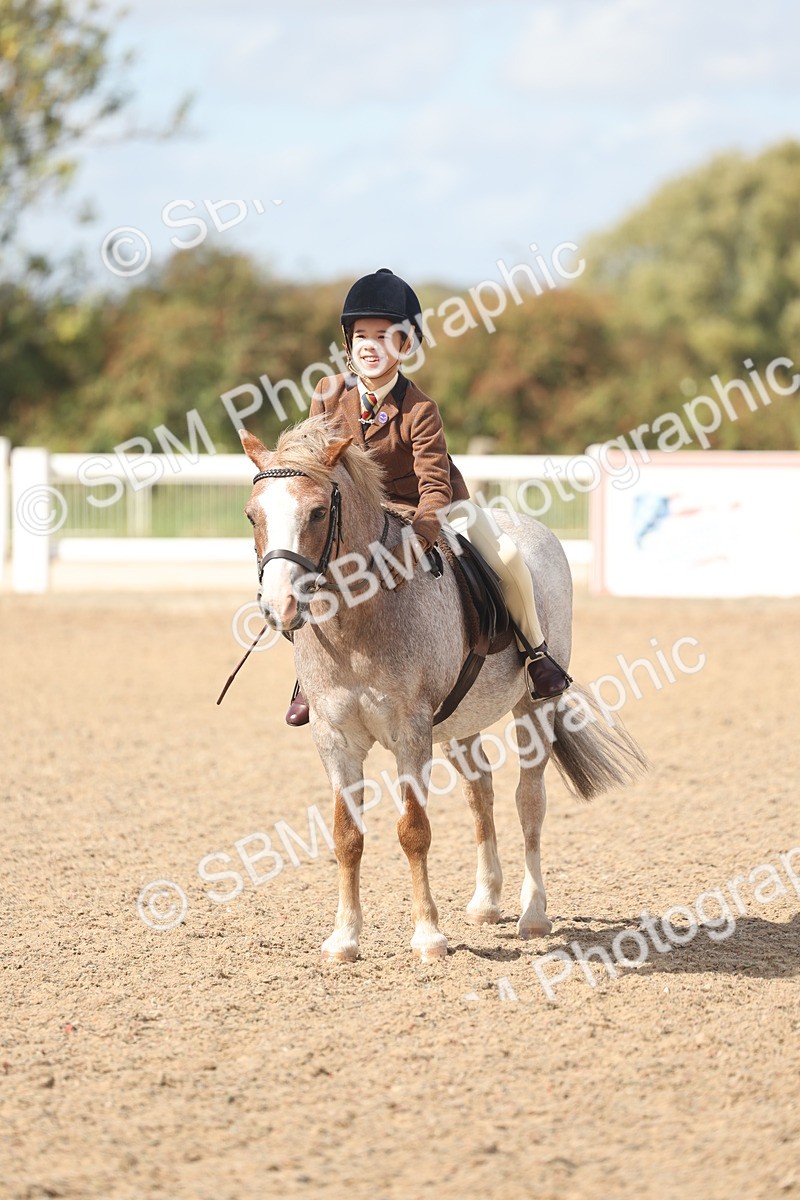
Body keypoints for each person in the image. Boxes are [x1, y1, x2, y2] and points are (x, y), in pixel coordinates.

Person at [284, 267, 570, 726]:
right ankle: (310, 678)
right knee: (300, 563)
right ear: (348, 342)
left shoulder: (419, 408)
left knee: (508, 555)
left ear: (406, 344)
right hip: (358, 513)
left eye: (385, 335)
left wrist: (418, 538)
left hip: (431, 506)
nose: (371, 346)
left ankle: (537, 654)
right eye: (362, 336)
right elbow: (315, 464)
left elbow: (434, 485)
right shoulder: (328, 394)